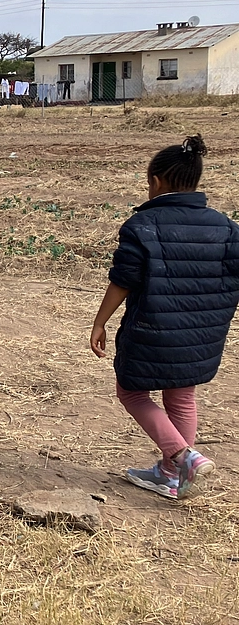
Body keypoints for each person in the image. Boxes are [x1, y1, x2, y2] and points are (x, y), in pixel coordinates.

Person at [90, 135, 239, 500]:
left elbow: (124, 280)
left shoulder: (142, 225)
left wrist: (100, 322)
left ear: (156, 182)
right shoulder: (227, 227)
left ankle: (182, 457)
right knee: (182, 396)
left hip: (153, 328)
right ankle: (172, 475)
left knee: (131, 390)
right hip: (203, 334)